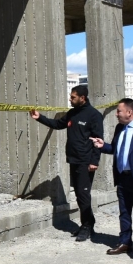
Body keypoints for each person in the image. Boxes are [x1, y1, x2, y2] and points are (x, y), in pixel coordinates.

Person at [30, 85, 103, 242]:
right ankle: (89, 223)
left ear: (82, 98)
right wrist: (39, 117)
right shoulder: (72, 113)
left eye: (73, 97)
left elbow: (98, 140)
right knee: (79, 195)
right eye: (71, 96)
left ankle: (86, 226)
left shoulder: (94, 115)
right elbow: (57, 124)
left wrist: (94, 161)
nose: (70, 99)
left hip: (86, 162)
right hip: (73, 160)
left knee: (83, 196)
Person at [90, 98, 133, 255]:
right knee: (124, 211)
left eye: (119, 111)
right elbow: (115, 148)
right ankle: (125, 242)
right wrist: (103, 146)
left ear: (129, 112)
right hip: (123, 177)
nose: (116, 114)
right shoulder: (119, 128)